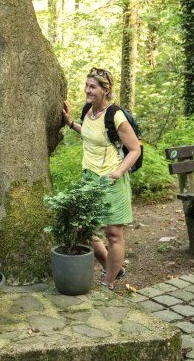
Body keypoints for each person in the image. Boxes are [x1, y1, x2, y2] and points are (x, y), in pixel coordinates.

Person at [62, 67, 141, 291]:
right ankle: (112, 267)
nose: (87, 90)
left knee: (113, 234)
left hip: (112, 180)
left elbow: (134, 149)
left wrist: (117, 172)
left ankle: (108, 281)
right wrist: (70, 123)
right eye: (86, 85)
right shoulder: (88, 110)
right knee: (84, 229)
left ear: (106, 90)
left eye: (93, 87)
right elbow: (90, 135)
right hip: (89, 178)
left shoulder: (115, 115)